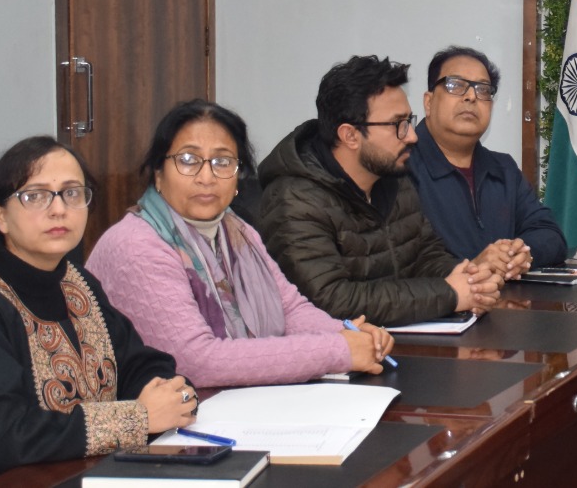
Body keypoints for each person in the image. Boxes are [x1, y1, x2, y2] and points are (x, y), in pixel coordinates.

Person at [0, 137, 196, 485]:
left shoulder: (78, 282)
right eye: (36, 196)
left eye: (72, 193)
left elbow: (136, 363)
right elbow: (5, 435)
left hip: (83, 471)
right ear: (0, 216)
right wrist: (138, 418)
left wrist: (169, 394)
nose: (59, 209)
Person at [90, 100, 395, 388]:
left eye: (222, 162)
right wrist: (337, 349)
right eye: (188, 160)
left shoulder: (237, 231)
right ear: (158, 174)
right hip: (147, 417)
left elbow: (289, 309)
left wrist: (348, 333)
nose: (207, 177)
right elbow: (195, 362)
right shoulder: (136, 244)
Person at [257, 55, 505, 326]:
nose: (412, 136)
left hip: (395, 340)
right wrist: (450, 294)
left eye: (409, 121)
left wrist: (471, 280)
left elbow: (425, 255)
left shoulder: (393, 179)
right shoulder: (294, 200)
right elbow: (331, 300)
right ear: (350, 135)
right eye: (398, 125)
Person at [409, 46, 567, 276]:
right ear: (429, 102)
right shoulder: (400, 167)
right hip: (439, 298)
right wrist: (473, 268)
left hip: (509, 298)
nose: (471, 96)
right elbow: (397, 262)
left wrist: (521, 253)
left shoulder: (504, 169)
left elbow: (549, 234)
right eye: (456, 85)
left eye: (483, 90)